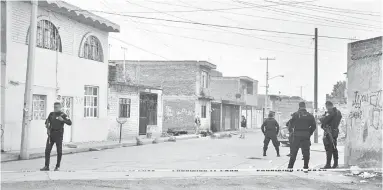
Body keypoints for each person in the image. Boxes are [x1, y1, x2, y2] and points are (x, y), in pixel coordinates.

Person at [40, 102, 72, 171]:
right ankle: (46, 166)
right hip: (51, 134)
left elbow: (70, 123)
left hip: (58, 135)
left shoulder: (63, 115)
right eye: (54, 107)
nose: (55, 109)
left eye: (57, 107)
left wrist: (63, 120)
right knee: (47, 150)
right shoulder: (51, 114)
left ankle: (57, 166)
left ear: (60, 108)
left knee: (59, 151)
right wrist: (47, 126)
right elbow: (47, 122)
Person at [288, 102, 316, 171]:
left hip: (297, 135)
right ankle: (306, 167)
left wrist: (291, 132)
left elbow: (290, 124)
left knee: (294, 152)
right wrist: (309, 133)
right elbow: (314, 126)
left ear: (299, 106)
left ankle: (290, 167)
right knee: (306, 152)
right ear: (305, 106)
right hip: (306, 135)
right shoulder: (310, 115)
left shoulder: (295, 114)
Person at [320, 101, 342, 169]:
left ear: (327, 106)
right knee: (334, 148)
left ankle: (328, 164)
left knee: (328, 148)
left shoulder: (330, 112)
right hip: (335, 131)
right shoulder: (338, 112)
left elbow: (324, 120)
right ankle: (335, 164)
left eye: (326, 106)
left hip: (329, 132)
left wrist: (323, 117)